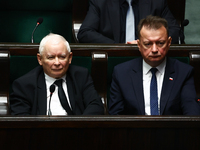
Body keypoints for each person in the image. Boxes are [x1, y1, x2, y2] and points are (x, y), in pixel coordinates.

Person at [108, 15, 200, 115]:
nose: (154, 50)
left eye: (160, 43)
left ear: (169, 42)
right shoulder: (121, 73)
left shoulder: (183, 72)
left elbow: (191, 114)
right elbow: (115, 117)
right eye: (148, 44)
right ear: (139, 45)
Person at [10, 33, 104, 115]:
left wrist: (78, 129)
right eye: (51, 57)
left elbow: (96, 106)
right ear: (40, 59)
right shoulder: (24, 85)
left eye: (62, 57)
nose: (57, 62)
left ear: (70, 58)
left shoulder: (81, 76)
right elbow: (21, 120)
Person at [77, 0, 180, 44]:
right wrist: (118, 47)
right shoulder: (100, 2)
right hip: (114, 59)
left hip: (150, 58)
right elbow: (85, 33)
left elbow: (174, 31)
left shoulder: (156, 2)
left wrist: (148, 44)